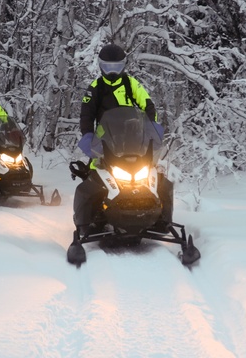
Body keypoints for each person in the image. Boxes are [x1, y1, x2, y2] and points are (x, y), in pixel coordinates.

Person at [73, 43, 174, 238]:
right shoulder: (95, 88)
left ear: (123, 66)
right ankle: (87, 222)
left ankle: (162, 219)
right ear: (101, 66)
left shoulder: (131, 84)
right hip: (104, 141)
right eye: (108, 66)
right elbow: (86, 115)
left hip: (134, 138)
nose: (112, 71)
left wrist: (151, 128)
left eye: (116, 67)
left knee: (157, 179)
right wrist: (87, 136)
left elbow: (147, 104)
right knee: (93, 179)